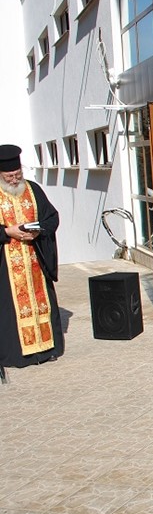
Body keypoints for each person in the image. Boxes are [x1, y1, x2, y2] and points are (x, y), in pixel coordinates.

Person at [0, 144, 64, 382]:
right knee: (10, 309)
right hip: (6, 267)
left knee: (42, 303)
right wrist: (8, 232)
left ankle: (46, 350)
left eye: (17, 174)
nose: (14, 179)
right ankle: (18, 356)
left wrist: (39, 231)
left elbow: (52, 217)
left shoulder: (33, 190)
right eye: (9, 176)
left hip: (35, 262)